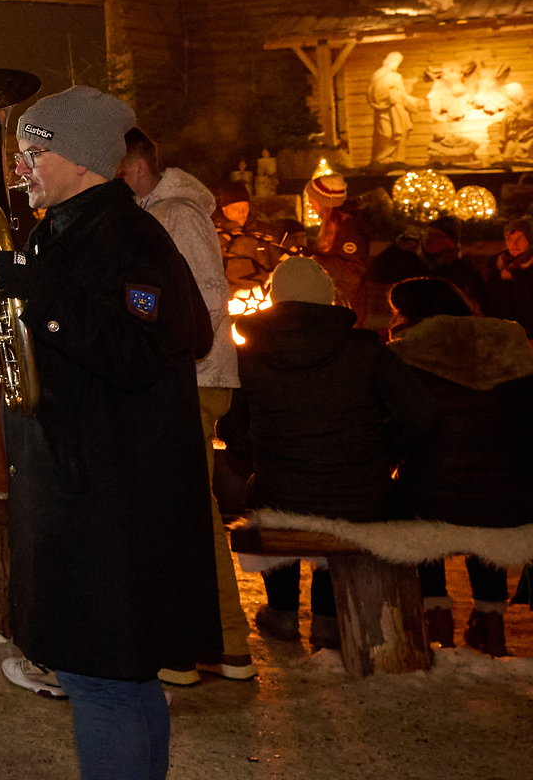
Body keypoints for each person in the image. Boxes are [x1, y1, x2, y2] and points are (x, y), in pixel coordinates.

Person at [0, 86, 219, 780]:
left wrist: (43, 299)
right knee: (120, 677)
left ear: (82, 157)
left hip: (112, 504)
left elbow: (145, 348)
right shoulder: (59, 229)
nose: (21, 166)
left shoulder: (129, 237)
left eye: (34, 150)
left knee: (104, 679)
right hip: (78, 490)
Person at [219, 257, 434, 650]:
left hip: (281, 488)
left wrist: (265, 456)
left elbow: (231, 427)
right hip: (359, 492)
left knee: (265, 495)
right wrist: (382, 454)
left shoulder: (248, 355)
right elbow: (418, 412)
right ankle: (327, 616)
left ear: (274, 299)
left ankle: (282, 611)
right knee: (340, 504)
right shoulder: (365, 348)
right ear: (328, 298)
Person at [116, 127, 253, 684]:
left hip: (190, 378)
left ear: (137, 167)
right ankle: (216, 643)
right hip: (188, 375)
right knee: (188, 506)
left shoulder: (174, 216)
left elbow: (195, 302)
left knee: (186, 510)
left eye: (115, 171)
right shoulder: (168, 212)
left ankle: (208, 642)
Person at [384, 276, 533, 656]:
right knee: (486, 500)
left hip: (431, 499)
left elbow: (399, 428)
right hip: (510, 498)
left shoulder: (406, 354)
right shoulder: (512, 345)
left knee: (421, 498)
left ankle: (437, 619)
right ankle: (491, 622)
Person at [484, 216, 533, 338]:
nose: (513, 244)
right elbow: (491, 305)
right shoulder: (497, 266)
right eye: (509, 239)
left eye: (520, 239)